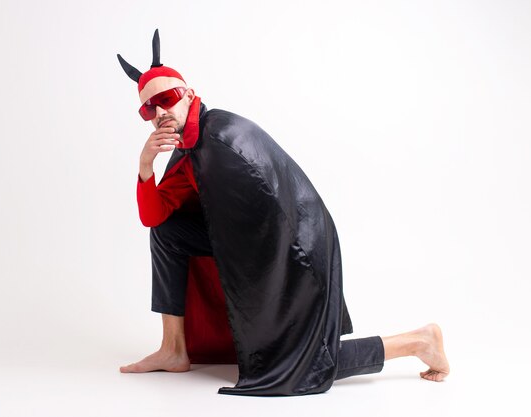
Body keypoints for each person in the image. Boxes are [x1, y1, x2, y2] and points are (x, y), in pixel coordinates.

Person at [117, 30, 449, 395]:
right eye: (149, 108)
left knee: (297, 363)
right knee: (168, 231)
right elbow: (156, 217)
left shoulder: (224, 139)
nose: (160, 111)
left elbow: (276, 222)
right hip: (249, 243)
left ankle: (419, 341)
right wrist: (146, 164)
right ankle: (174, 349)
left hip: (296, 249)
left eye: (166, 98)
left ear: (190, 95)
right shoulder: (189, 148)